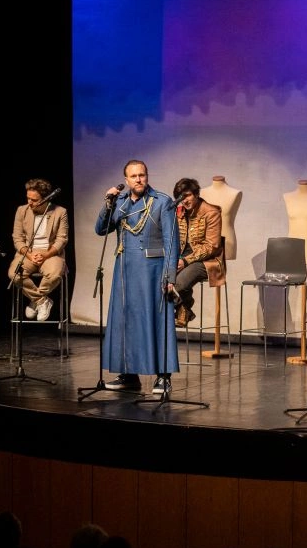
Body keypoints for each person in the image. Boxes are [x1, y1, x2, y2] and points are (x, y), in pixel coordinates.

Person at [96, 160, 179, 394]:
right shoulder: (120, 202)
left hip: (152, 271)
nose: (139, 179)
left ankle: (163, 377)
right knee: (125, 321)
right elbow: (101, 229)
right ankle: (129, 375)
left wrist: (170, 276)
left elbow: (171, 242)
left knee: (157, 320)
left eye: (142, 175)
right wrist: (108, 204)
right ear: (126, 180)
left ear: (147, 176)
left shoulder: (162, 202)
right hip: (125, 269)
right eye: (133, 176)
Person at [8, 178, 69, 322]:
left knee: (54, 274)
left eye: (34, 200)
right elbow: (17, 238)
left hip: (50, 252)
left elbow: (62, 239)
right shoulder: (22, 211)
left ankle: (34, 301)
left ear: (46, 199)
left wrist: (46, 254)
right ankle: (42, 301)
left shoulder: (60, 212)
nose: (30, 202)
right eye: (28, 198)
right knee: (14, 274)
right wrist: (29, 255)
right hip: (28, 252)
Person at [171, 177, 224, 328]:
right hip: (181, 257)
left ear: (196, 194)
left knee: (179, 283)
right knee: (156, 278)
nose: (184, 200)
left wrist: (185, 261)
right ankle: (183, 308)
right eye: (181, 197)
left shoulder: (211, 212)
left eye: (187, 195)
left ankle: (183, 309)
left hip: (206, 261)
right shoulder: (179, 212)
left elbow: (212, 246)